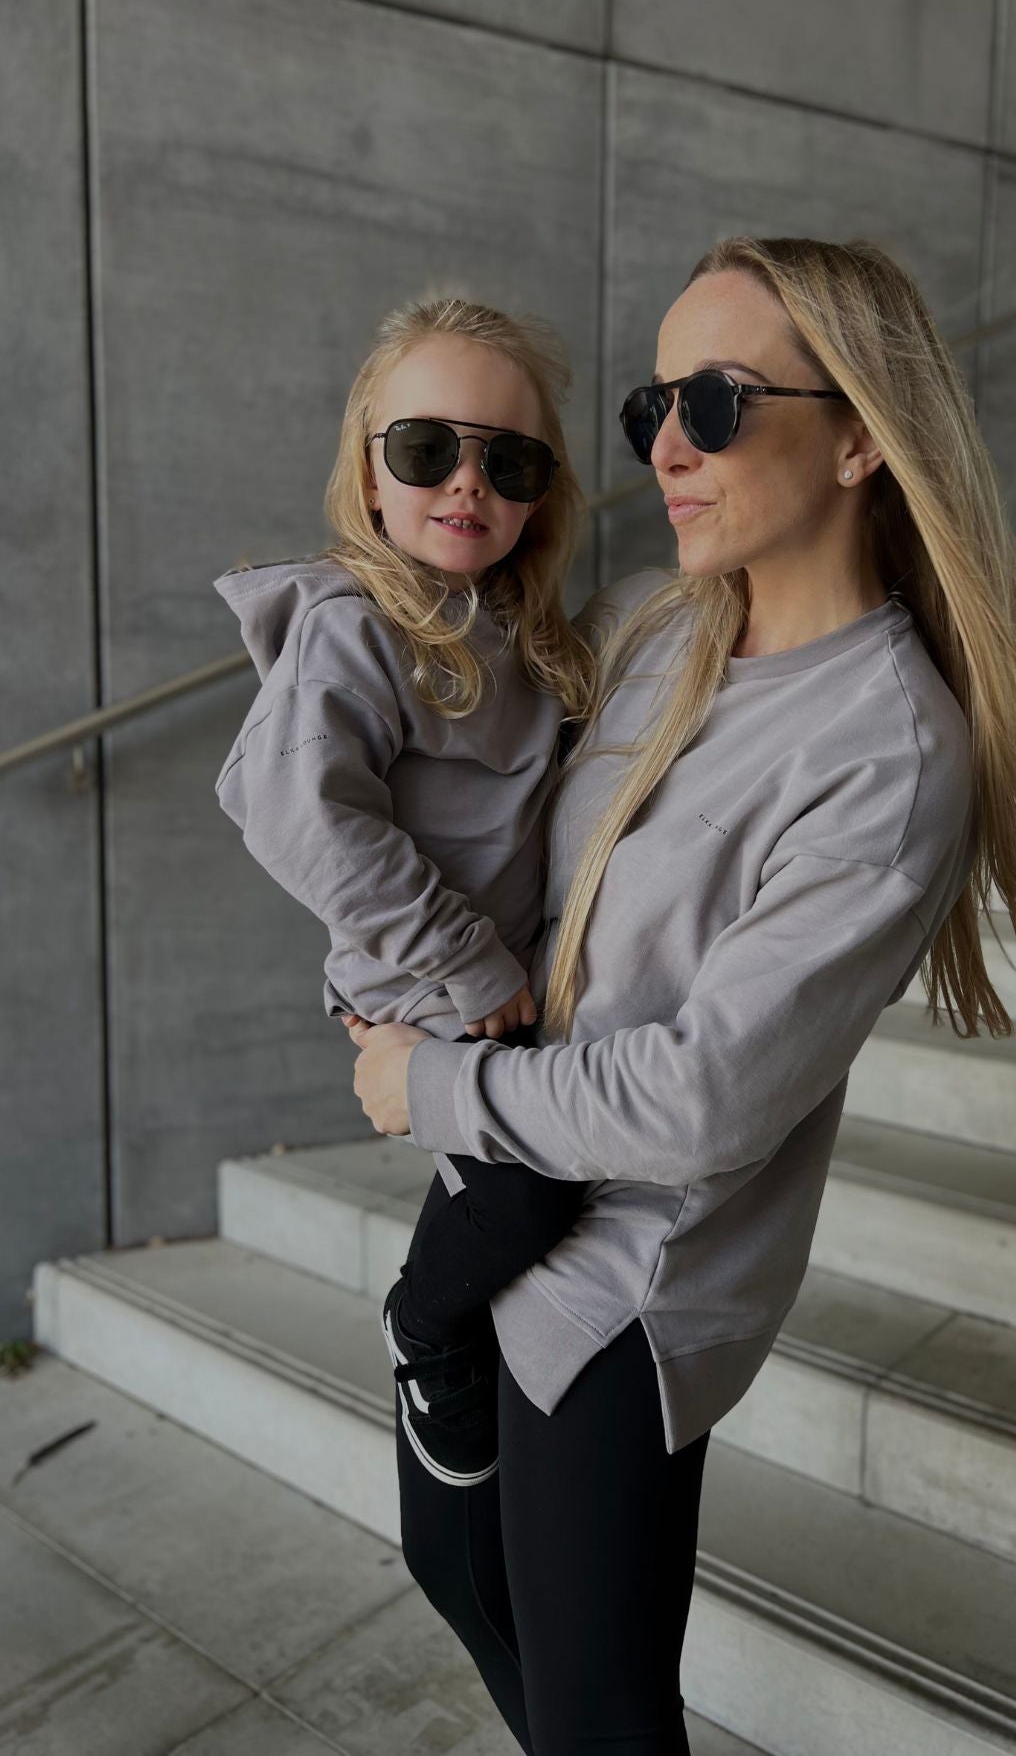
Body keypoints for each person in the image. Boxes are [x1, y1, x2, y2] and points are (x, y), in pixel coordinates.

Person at [347, 234, 1016, 1754]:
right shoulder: (656, 626)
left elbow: (704, 1098)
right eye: (652, 406)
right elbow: (480, 824)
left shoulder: (888, 750)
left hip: (625, 1289)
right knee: (454, 1567)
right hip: (503, 1192)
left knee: (600, 1714)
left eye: (719, 404)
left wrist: (432, 1084)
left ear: (861, 435)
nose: (668, 447)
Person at [213, 295, 607, 1488]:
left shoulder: (519, 632)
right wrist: (467, 964)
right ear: (369, 474)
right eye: (427, 449)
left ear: (540, 494)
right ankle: (424, 1327)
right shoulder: (357, 627)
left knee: (537, 1175)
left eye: (508, 460)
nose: (466, 482)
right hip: (429, 983)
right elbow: (299, 813)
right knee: (531, 1192)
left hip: (497, 981)